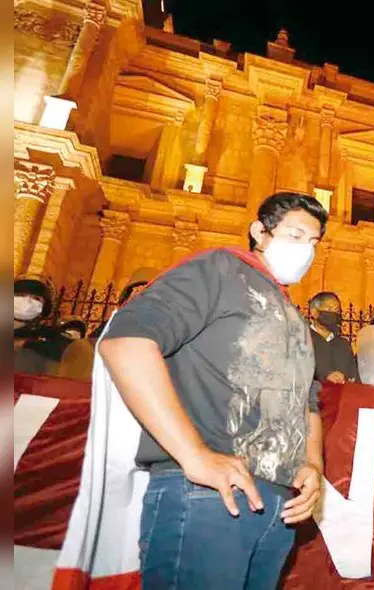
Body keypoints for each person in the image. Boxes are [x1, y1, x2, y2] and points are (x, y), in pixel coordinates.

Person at [98, 192, 328, 590]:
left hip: (278, 507)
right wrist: (193, 454)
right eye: (295, 235)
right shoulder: (219, 269)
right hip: (209, 496)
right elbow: (126, 343)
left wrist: (312, 464)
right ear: (260, 231)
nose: (305, 250)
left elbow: (306, 401)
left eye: (314, 242)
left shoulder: (294, 317)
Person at [309, 291, 359, 384]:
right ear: (314, 312)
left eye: (337, 311)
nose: (334, 314)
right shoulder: (303, 340)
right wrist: (324, 376)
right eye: (329, 309)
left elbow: (353, 378)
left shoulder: (343, 345)